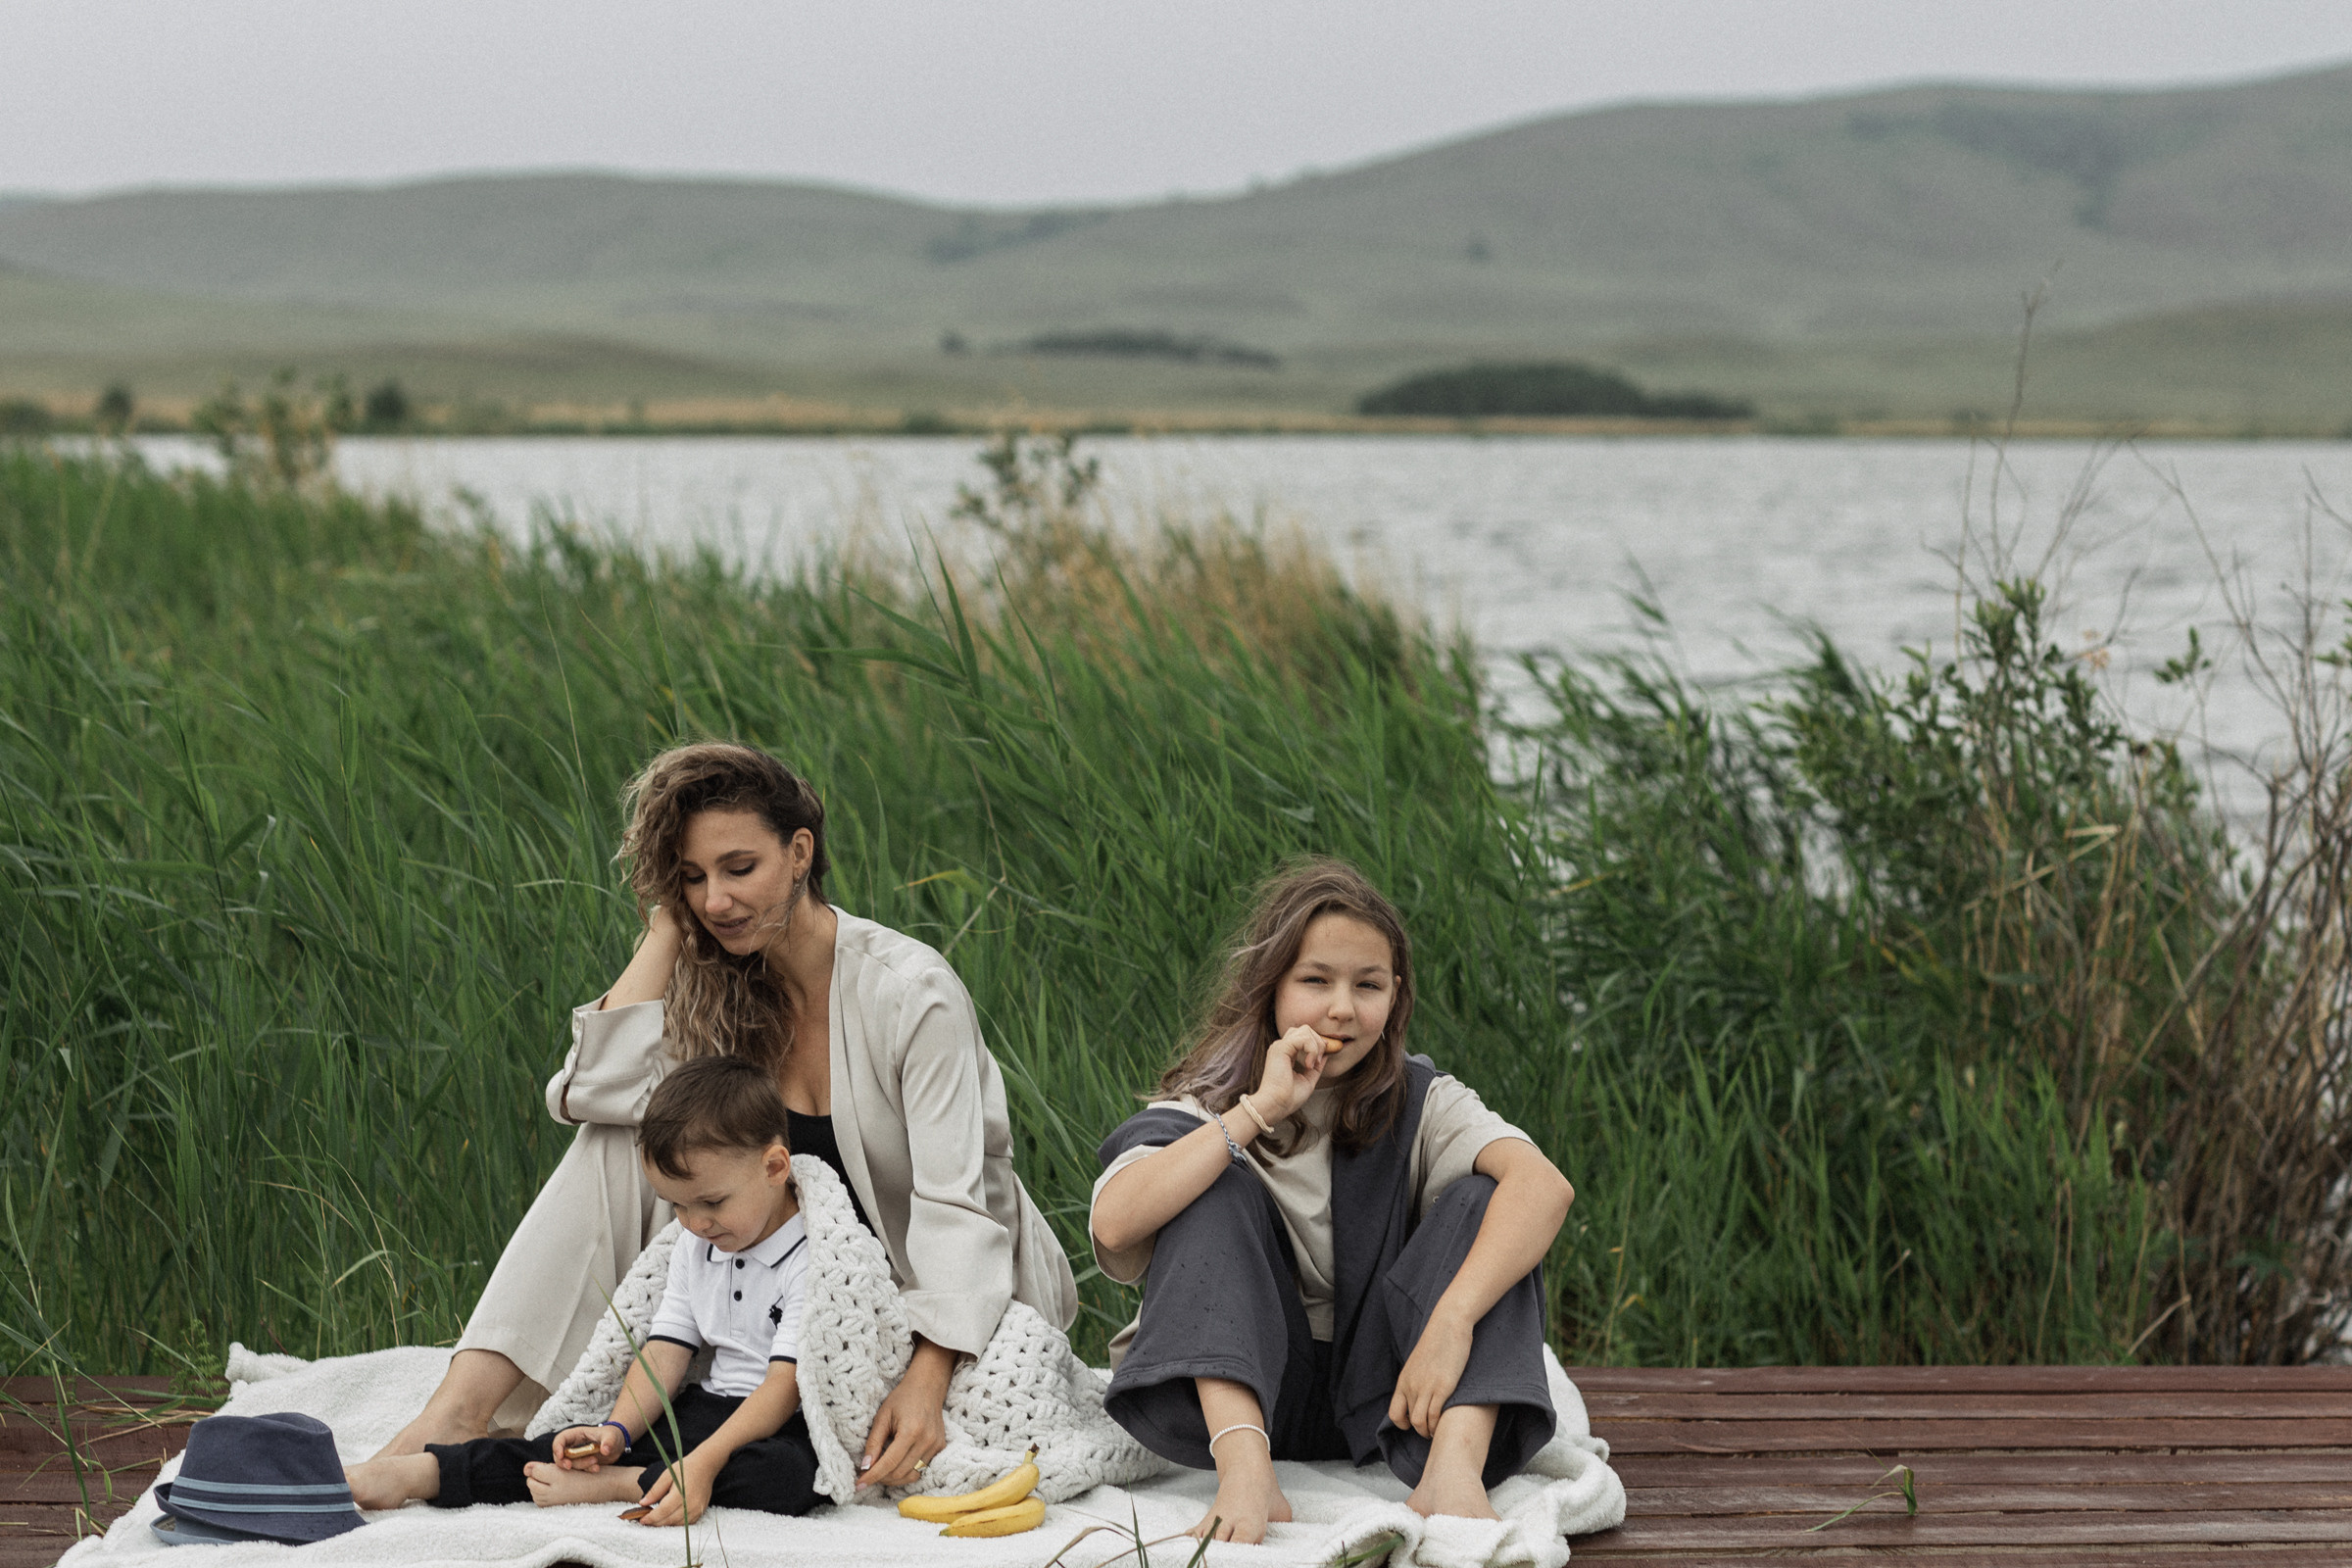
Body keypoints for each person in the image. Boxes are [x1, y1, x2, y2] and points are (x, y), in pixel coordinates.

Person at [375, 742, 1077, 1491]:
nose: (717, 901)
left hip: (925, 1294)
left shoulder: (910, 993)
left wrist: (928, 1379)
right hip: (770, 1281)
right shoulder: (720, 985)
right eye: (693, 879)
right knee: (618, 1144)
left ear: (800, 851)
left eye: (739, 869)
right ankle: (459, 1409)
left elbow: (957, 1208)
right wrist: (666, 931)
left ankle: (573, 1439)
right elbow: (594, 1093)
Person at [1089, 859, 1576, 1544]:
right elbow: (1114, 1223)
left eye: (1367, 985)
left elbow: (1544, 1187)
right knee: (1210, 1184)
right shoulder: (1210, 1106)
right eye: (1315, 981)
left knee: (1485, 1197)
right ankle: (1248, 1476)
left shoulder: (1423, 1100)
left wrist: (1454, 1321)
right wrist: (1259, 1110)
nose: (1342, 1008)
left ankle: (1453, 1471)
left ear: (1395, 997)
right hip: (1246, 1393)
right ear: (1271, 989)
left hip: (1395, 1398)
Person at [347, 1057, 824, 1524]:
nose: (695, 1222)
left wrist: (706, 1460)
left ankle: (622, 1485)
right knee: (562, 1451)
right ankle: (423, 1472)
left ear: (775, 1167)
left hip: (781, 1422)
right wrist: (616, 1430)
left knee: (788, 1477)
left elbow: (784, 1388)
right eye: (676, 1206)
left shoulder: (812, 1258)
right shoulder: (695, 1246)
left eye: (712, 1202)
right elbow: (664, 1353)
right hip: (708, 1406)